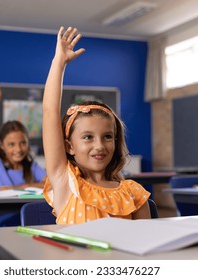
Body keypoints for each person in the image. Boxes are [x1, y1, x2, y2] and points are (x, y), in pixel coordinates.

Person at [42, 26, 151, 224]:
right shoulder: (66, 181)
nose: (99, 145)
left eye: (107, 136)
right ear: (69, 146)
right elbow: (49, 113)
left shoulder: (133, 192)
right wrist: (59, 63)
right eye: (87, 137)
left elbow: (147, 244)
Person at [0, 78, 46, 256]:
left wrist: (15, 188)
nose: (18, 149)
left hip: (22, 237)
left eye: (23, 143)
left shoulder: (32, 166)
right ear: (2, 146)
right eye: (11, 144)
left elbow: (48, 184)